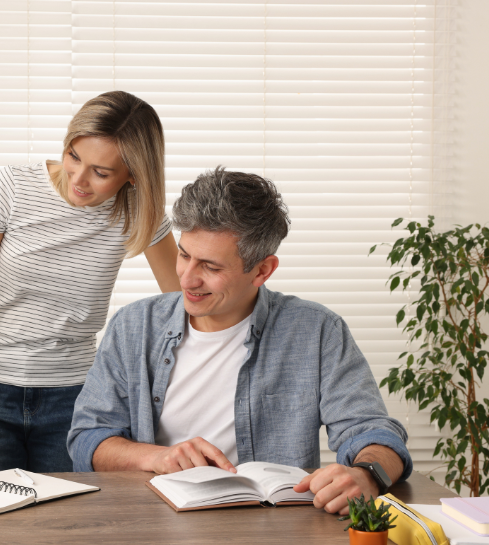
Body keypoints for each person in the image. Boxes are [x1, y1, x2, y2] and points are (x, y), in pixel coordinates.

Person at [67, 167, 413, 515]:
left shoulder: (317, 330)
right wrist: (158, 457)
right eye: (184, 254)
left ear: (262, 270)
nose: (186, 279)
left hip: (272, 527)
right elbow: (87, 440)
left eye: (211, 267)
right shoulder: (133, 326)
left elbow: (372, 430)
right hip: (151, 521)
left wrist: (368, 475)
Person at [0, 91, 182, 474]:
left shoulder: (139, 211)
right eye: (74, 157)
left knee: (66, 527)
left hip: (74, 399)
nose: (79, 179)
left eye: (101, 172)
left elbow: (183, 303)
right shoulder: (13, 188)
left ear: (134, 177)